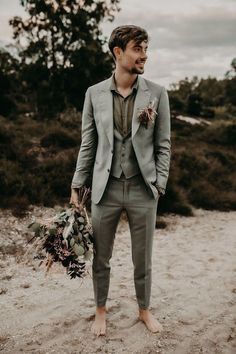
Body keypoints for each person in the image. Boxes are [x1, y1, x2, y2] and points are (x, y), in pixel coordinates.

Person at [70, 25, 171, 336]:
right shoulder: (93, 94)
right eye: (137, 49)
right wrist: (78, 184)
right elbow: (89, 142)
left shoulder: (157, 93)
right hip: (105, 187)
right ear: (118, 52)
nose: (144, 55)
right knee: (101, 257)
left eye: (145, 49)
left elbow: (163, 143)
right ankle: (100, 311)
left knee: (143, 257)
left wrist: (160, 183)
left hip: (144, 188)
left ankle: (144, 310)